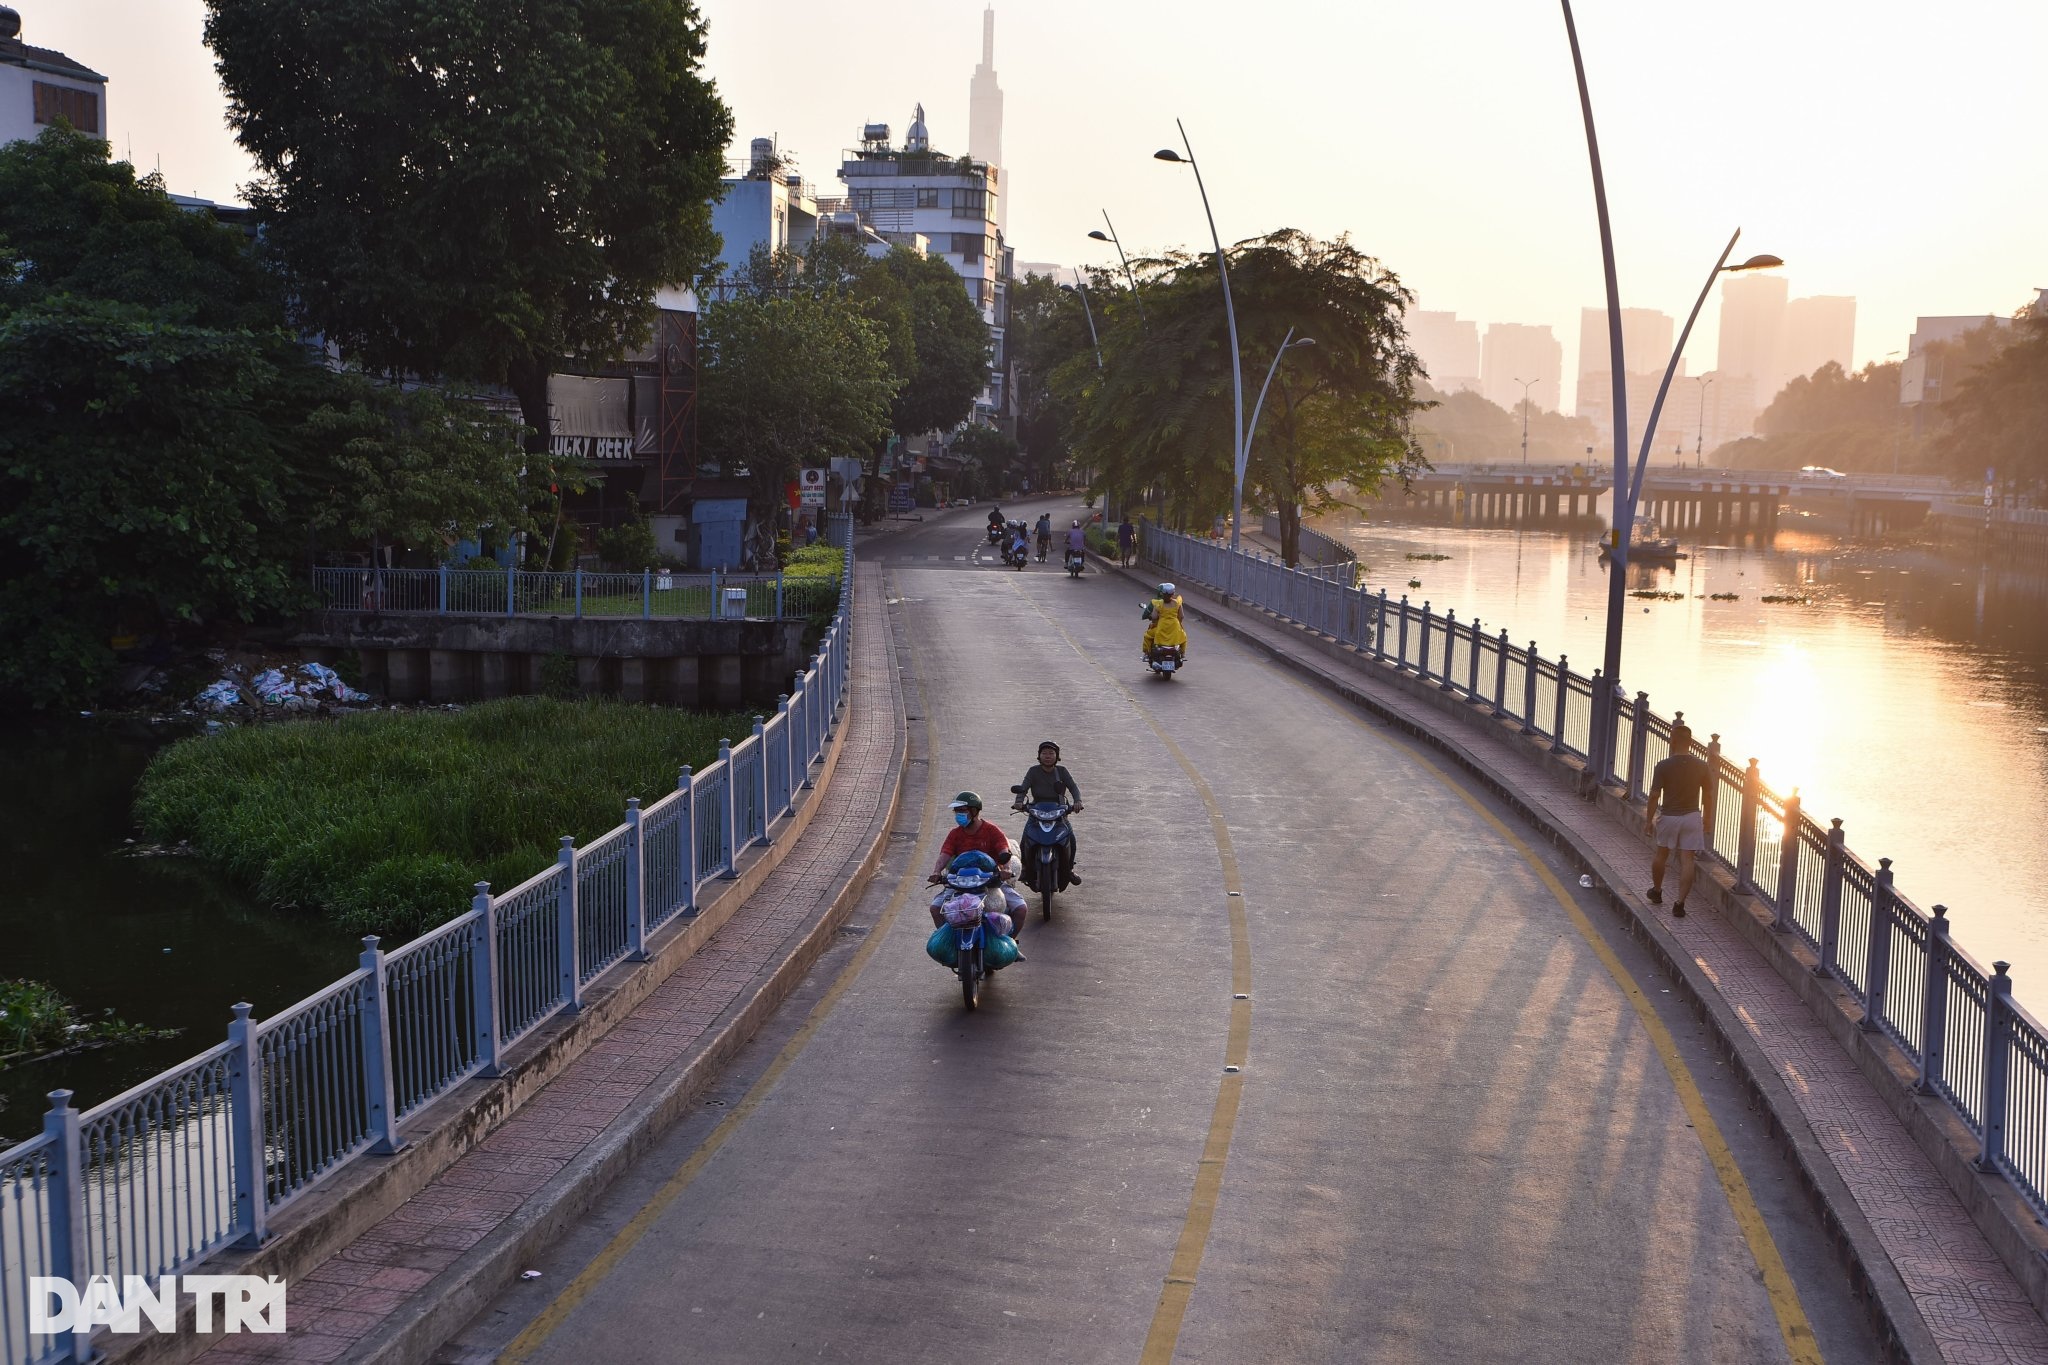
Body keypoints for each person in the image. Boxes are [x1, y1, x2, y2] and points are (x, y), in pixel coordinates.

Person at [928, 791, 1029, 931]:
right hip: (961, 883)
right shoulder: (954, 834)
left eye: (962, 810)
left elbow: (1004, 850)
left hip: (992, 882)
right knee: (935, 909)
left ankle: (1011, 946)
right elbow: (944, 855)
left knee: (1021, 909)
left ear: (974, 811)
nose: (958, 814)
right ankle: (948, 942)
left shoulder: (992, 830)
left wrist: (1006, 869)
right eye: (956, 811)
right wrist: (936, 871)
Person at [1645, 717, 1710, 917]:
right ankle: (1680, 904)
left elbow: (1655, 795)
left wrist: (1648, 820)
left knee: (1661, 854)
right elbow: (1708, 795)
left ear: (1672, 741)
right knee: (1687, 860)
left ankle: (1657, 892)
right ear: (1690, 742)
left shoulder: (1663, 766)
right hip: (1692, 816)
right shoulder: (1702, 765)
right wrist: (1708, 818)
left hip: (1669, 817)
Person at [1012, 741, 1083, 881]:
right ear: (1039, 756)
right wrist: (1019, 802)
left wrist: (1077, 801)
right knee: (1026, 837)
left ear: (1057, 756)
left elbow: (1073, 787)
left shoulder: (1062, 771)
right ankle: (1025, 868)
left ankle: (1069, 869)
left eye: (1051, 753)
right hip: (1037, 809)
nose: (1048, 756)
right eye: (1044, 753)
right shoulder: (1033, 771)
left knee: (1071, 838)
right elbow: (1023, 787)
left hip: (1059, 810)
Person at [1141, 582, 1188, 658]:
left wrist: (1154, 621)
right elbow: (1181, 616)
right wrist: (1178, 623)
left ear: (1162, 594)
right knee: (1184, 636)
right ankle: (1182, 654)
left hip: (1161, 628)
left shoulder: (1158, 604)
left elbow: (1154, 617)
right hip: (1174, 628)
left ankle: (1146, 654)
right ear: (1173, 594)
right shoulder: (1177, 603)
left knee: (1147, 636)